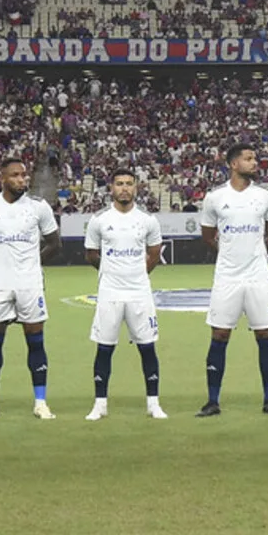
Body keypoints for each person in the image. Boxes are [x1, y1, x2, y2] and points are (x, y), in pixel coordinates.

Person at [0, 157, 62, 421]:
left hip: (29, 285)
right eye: (16, 175)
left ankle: (41, 402)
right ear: (3, 178)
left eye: (24, 175)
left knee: (35, 342)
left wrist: (32, 264)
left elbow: (55, 244)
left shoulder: (38, 207)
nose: (22, 179)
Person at [195, 143, 268, 417]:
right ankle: (212, 401)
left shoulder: (266, 196)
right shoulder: (215, 197)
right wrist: (230, 255)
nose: (254, 162)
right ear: (234, 164)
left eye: (255, 158)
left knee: (265, 333)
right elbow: (208, 235)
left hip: (258, 276)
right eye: (248, 158)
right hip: (227, 277)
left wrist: (256, 255)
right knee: (220, 334)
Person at [83, 168, 167, 421]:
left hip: (139, 292)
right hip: (110, 292)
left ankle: (153, 403)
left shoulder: (147, 220)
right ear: (111, 188)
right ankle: (100, 404)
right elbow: (91, 254)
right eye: (119, 183)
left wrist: (137, 275)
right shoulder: (99, 220)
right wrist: (111, 272)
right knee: (105, 347)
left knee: (147, 347)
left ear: (136, 188)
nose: (124, 188)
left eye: (129, 184)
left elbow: (154, 253)